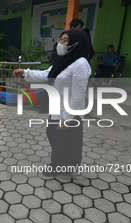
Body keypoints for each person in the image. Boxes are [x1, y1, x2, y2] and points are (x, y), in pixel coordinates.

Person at [13, 29, 91, 175]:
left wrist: (67, 118)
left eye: (65, 40)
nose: (60, 43)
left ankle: (58, 166)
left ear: (76, 43)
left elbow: (78, 94)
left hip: (70, 112)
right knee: (54, 135)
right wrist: (25, 72)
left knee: (64, 140)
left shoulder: (81, 64)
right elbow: (47, 74)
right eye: (60, 39)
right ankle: (64, 164)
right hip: (57, 108)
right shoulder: (64, 59)